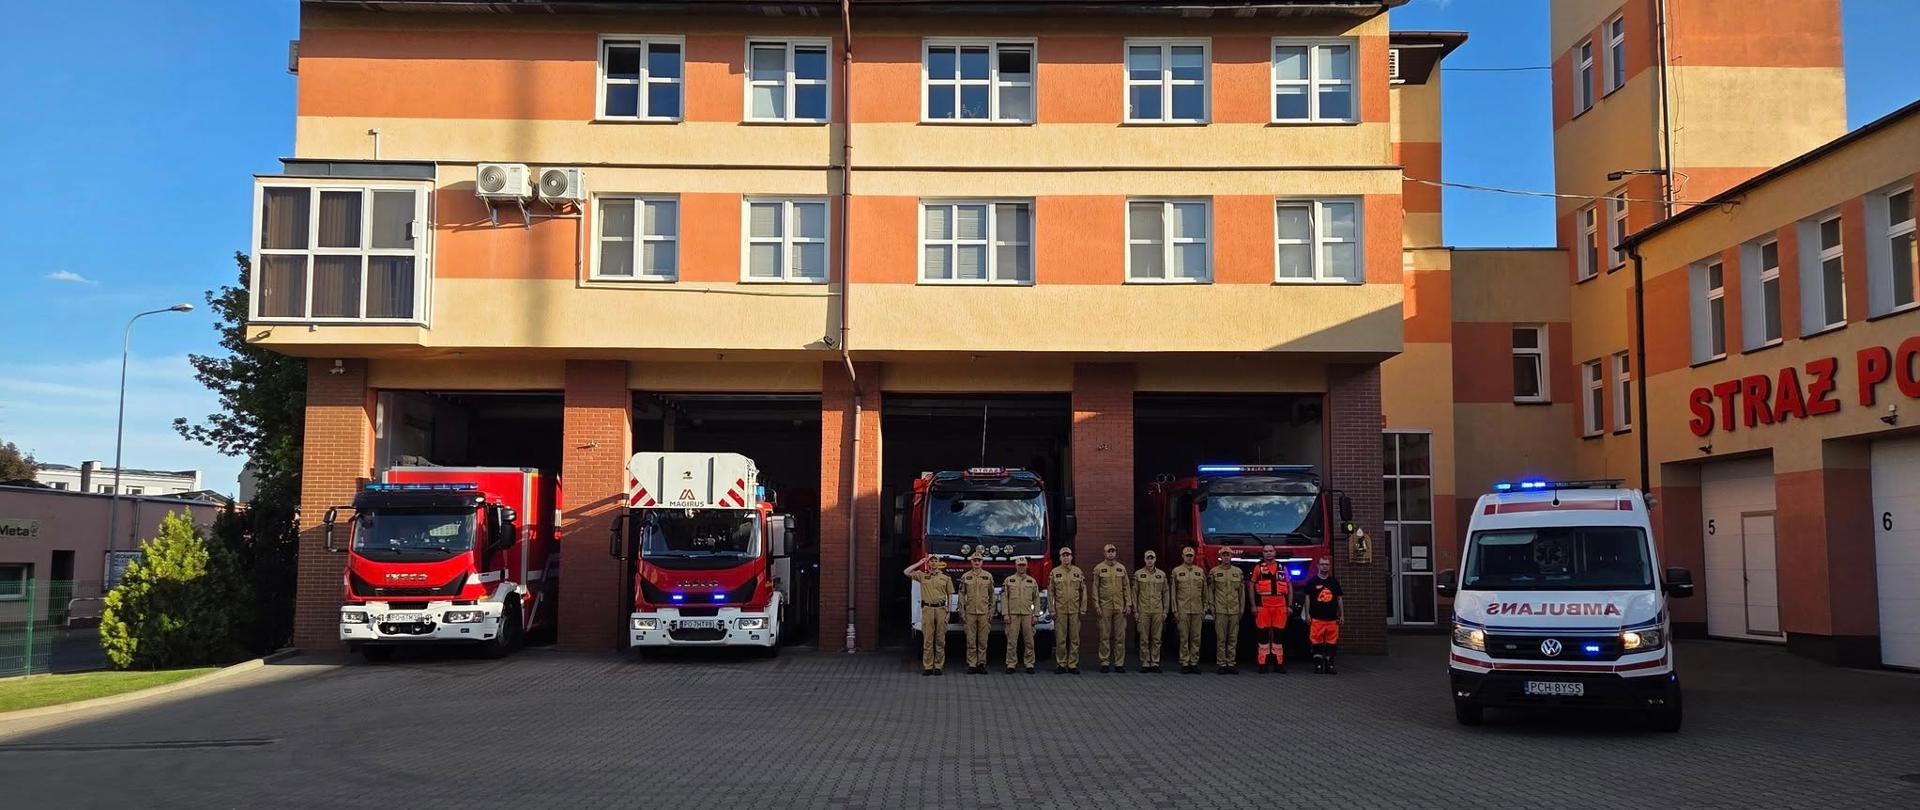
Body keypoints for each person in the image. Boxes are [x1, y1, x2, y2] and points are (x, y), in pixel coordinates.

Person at [904, 554, 954, 676]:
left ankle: (938, 666)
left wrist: (949, 612)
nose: (933, 563)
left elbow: (950, 595)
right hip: (927, 609)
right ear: (928, 563)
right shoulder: (922, 576)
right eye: (931, 561)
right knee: (927, 639)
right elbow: (906, 571)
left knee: (940, 639)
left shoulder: (945, 578)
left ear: (938, 563)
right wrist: (920, 562)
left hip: (941, 610)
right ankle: (927, 666)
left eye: (935, 561)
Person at [1248, 544, 1292, 674]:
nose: (1268, 553)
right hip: (1263, 607)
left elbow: (1289, 586)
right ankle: (1263, 664)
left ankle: (1279, 664)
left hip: (1280, 607)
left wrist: (1289, 605)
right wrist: (1253, 605)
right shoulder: (1258, 568)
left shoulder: (1282, 567)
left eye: (1271, 551)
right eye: (1266, 551)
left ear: (1275, 552)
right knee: (1263, 637)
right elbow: (1251, 586)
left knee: (1278, 637)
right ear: (1263, 554)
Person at [1092, 543, 1131, 673]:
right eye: (1108, 551)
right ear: (1104, 553)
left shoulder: (1121, 568)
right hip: (1105, 606)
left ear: (1116, 553)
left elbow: (1126, 588)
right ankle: (1104, 662)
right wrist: (1096, 605)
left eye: (1113, 551)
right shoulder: (1098, 568)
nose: (1111, 553)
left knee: (1120, 636)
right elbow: (1095, 588)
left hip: (1119, 607)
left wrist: (1128, 604)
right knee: (1104, 635)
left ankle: (1119, 663)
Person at [1208, 547, 1247, 674]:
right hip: (1220, 610)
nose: (1226, 557)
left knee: (1233, 638)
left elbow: (1241, 593)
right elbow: (1210, 592)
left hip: (1234, 610)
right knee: (1221, 638)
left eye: (1228, 555)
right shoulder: (1214, 572)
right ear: (1220, 557)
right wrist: (1212, 608)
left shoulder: (1238, 572)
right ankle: (1221, 664)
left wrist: (1241, 608)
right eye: (1223, 555)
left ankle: (1231, 663)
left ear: (1231, 556)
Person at [1049, 546, 1087, 674]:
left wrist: (1083, 608)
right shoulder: (1055, 572)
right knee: (1061, 638)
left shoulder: (1078, 572)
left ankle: (1072, 665)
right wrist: (1052, 610)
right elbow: (1051, 593)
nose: (1066, 557)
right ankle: (1061, 664)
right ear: (1060, 557)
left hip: (1075, 611)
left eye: (1068, 555)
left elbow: (1083, 591)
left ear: (1071, 556)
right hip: (1060, 611)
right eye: (1063, 555)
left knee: (1074, 639)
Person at [1170, 546, 1208, 674]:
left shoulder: (1200, 571)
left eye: (1191, 555)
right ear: (1183, 556)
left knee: (1196, 637)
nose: (1189, 557)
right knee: (1184, 637)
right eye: (1187, 555)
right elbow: (1173, 593)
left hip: (1197, 610)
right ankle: (1185, 662)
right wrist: (1175, 610)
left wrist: (1204, 608)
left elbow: (1205, 592)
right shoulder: (1176, 571)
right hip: (1183, 610)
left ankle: (1194, 662)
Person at [958, 549, 996, 674]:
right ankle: (972, 664)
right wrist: (962, 611)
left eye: (979, 560)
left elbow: (992, 596)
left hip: (984, 612)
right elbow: (961, 595)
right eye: (974, 560)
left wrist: (991, 612)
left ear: (982, 562)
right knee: (970, 639)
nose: (977, 562)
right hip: (970, 613)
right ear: (971, 562)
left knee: (983, 640)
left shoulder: (988, 576)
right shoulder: (966, 576)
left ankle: (981, 663)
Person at [1305, 555, 1344, 674]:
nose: (1324, 567)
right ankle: (1318, 666)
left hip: (1332, 619)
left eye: (1326, 564)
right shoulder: (1312, 582)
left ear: (1329, 566)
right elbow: (1307, 599)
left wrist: (1342, 615)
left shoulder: (1334, 582)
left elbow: (1339, 599)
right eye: (1322, 564)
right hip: (1317, 619)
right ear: (1318, 566)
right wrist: (1307, 614)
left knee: (1332, 643)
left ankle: (1330, 666)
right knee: (1317, 643)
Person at [1132, 549, 1169, 673]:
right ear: (1144, 559)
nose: (1150, 560)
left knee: (1156, 638)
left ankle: (1155, 662)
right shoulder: (1138, 574)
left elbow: (1166, 593)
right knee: (1144, 638)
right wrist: (1135, 611)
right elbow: (1135, 594)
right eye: (1148, 558)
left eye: (1152, 558)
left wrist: (1165, 611)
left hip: (1157, 610)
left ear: (1155, 559)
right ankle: (1145, 662)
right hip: (1143, 610)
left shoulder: (1162, 575)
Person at [1001, 555, 1040, 674]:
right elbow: (1004, 598)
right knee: (1012, 641)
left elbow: (1036, 599)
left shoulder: (1032, 581)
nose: (1021, 567)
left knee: (1029, 641)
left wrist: (1036, 615)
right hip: (1013, 615)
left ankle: (1029, 664)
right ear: (1016, 566)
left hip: (1027, 614)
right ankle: (1011, 664)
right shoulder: (1009, 580)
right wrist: (1005, 614)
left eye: (1023, 565)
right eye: (1019, 565)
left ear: (1027, 566)